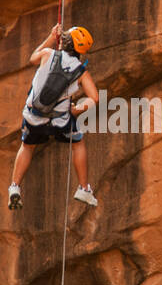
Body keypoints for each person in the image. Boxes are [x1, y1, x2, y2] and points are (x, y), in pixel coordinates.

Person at [8, 23, 99, 210]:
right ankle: (83, 188)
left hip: (34, 116)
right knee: (78, 143)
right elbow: (94, 98)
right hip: (60, 120)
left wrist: (50, 37)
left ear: (65, 42)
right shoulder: (80, 71)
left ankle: (15, 186)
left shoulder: (47, 54)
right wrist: (77, 110)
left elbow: (32, 58)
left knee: (27, 146)